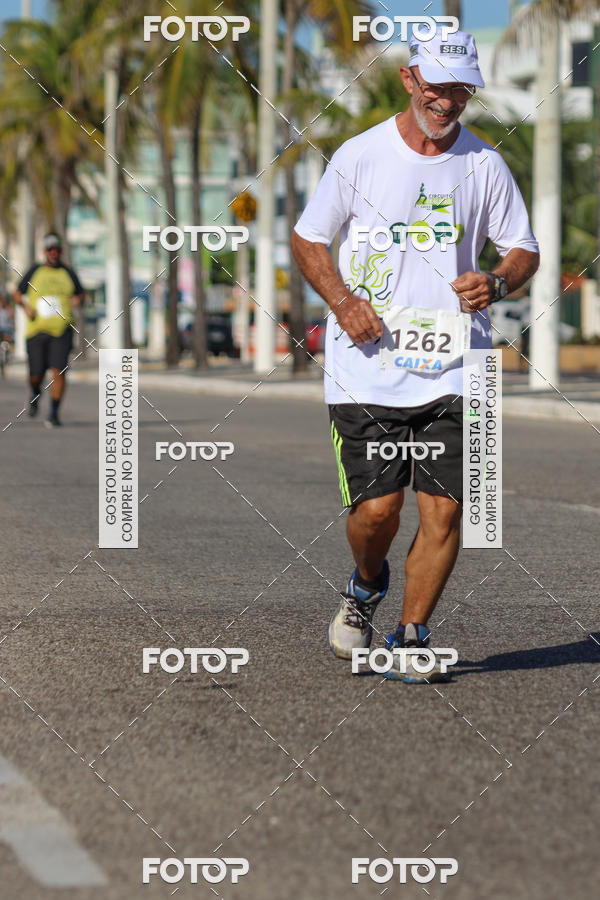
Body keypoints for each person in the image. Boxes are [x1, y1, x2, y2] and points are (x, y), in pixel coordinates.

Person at [291, 29, 540, 682]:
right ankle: (366, 583)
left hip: (459, 365)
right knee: (377, 513)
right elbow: (310, 237)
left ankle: (410, 637)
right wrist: (342, 301)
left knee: (448, 508)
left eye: (461, 90)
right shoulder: (359, 156)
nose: (448, 100)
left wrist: (500, 279)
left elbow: (522, 248)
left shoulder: (484, 165)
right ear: (409, 80)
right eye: (437, 86)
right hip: (367, 365)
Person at [13, 233, 84, 427]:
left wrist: (77, 300)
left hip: (62, 331)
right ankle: (35, 392)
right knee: (35, 374)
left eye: (57, 250)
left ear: (60, 251)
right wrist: (26, 307)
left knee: (59, 371)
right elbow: (17, 293)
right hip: (37, 330)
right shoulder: (35, 270)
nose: (54, 253)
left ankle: (54, 412)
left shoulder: (68, 272)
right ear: (45, 251)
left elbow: (81, 294)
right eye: (50, 250)